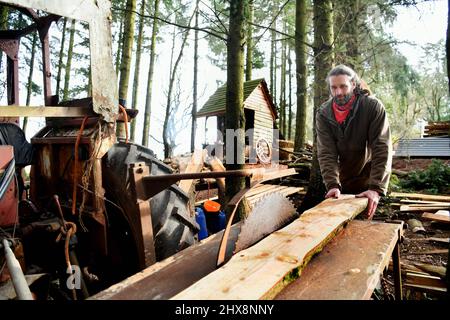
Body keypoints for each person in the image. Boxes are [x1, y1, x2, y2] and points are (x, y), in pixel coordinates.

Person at [316, 64, 392, 219]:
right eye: (334, 88)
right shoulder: (323, 113)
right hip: (342, 179)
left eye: (343, 86)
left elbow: (382, 148)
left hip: (368, 177)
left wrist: (375, 188)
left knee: (362, 229)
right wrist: (332, 185)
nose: (338, 92)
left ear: (354, 84)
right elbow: (326, 152)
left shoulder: (372, 107)